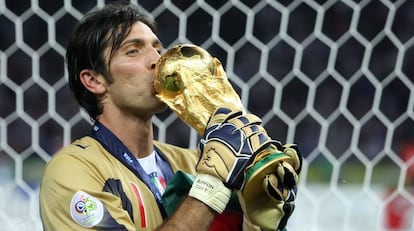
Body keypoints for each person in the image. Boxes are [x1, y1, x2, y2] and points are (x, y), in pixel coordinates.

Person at [39, 2, 301, 231]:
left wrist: (259, 217)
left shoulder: (194, 162)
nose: (157, 60)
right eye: (133, 51)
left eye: (157, 48)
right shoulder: (72, 171)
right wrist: (210, 185)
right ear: (94, 80)